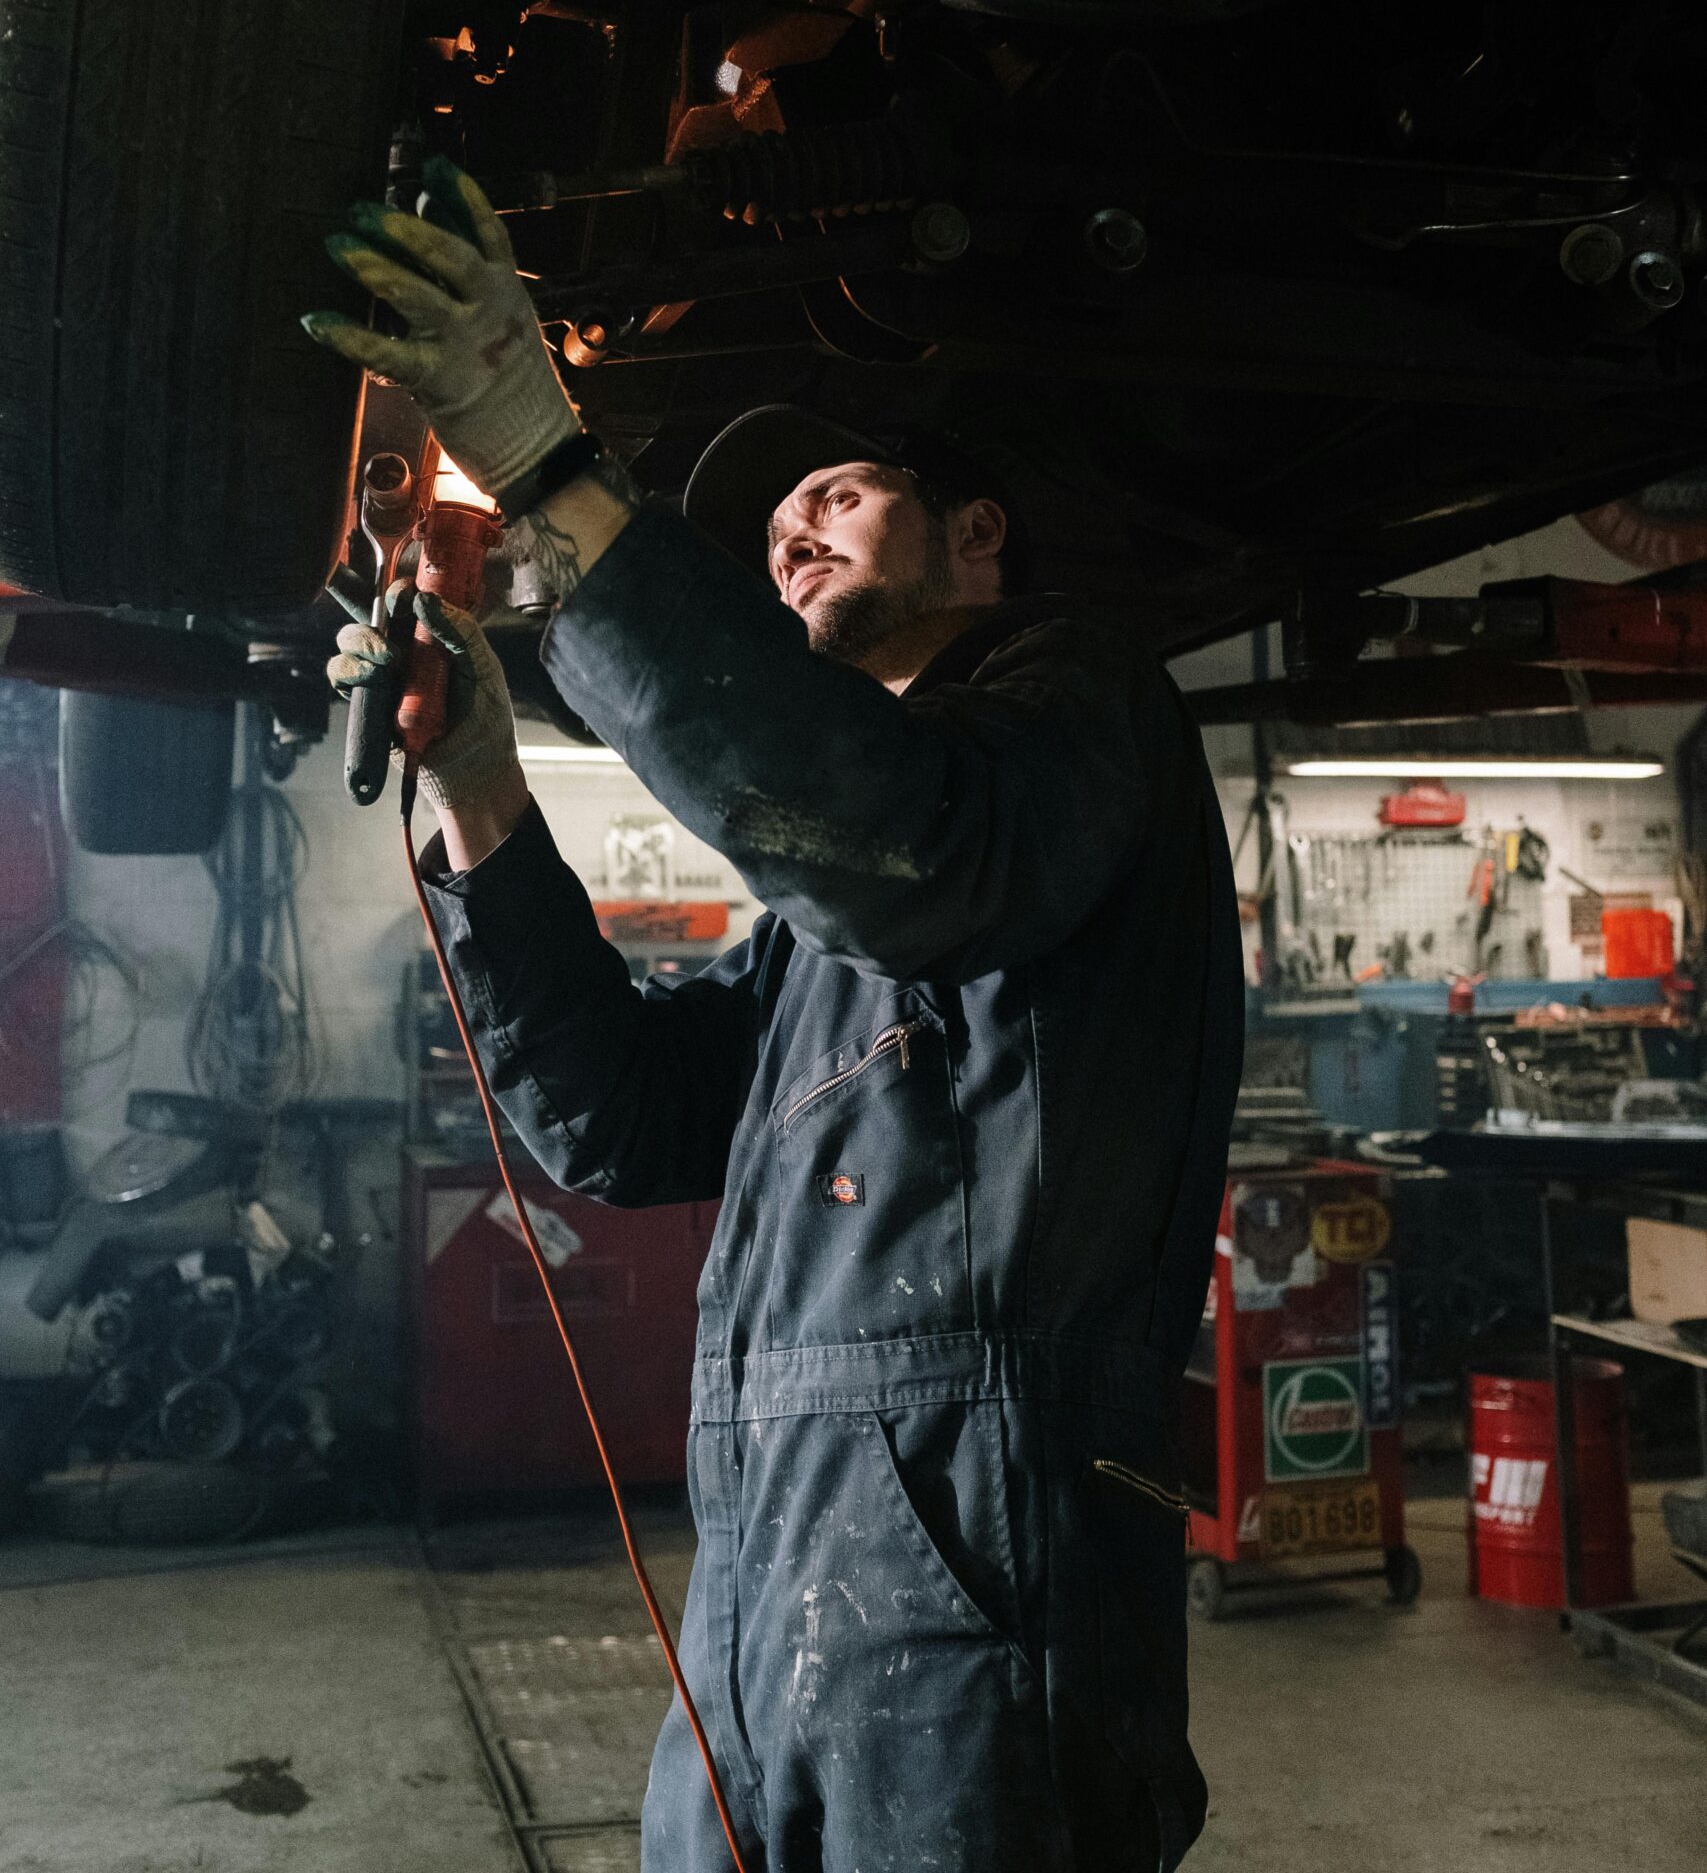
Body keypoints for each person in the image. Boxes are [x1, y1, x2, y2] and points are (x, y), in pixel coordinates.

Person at [305, 161, 1244, 1873]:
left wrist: (540, 448)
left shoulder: (1078, 708)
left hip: (979, 1609)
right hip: (772, 1610)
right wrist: (481, 786)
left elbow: (898, 843)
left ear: (979, 535)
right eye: (771, 528)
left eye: (835, 490)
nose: (793, 531)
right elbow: (625, 1115)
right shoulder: (832, 920)